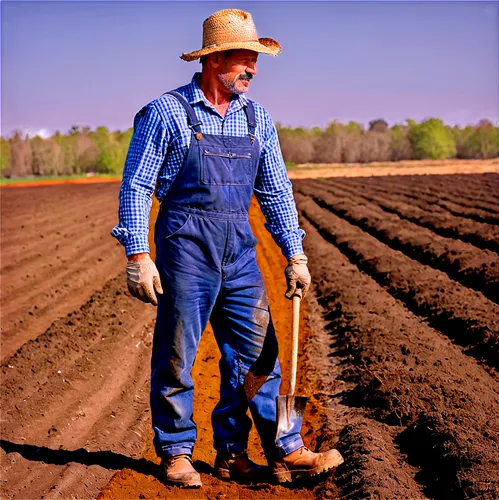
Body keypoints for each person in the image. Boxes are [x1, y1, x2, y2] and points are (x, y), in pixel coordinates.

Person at [111, 8, 343, 488]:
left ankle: (272, 448)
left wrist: (294, 253)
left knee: (261, 358)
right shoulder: (167, 112)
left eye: (255, 62)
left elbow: (276, 191)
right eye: (243, 60)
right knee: (178, 355)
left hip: (239, 251)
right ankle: (176, 451)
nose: (252, 70)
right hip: (186, 251)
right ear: (214, 61)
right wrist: (138, 255)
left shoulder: (258, 119)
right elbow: (135, 186)